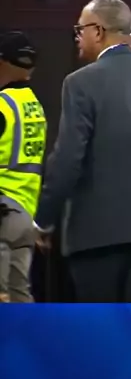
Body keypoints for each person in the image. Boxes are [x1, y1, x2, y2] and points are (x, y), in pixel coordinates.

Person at [34, 0, 131, 303]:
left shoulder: (80, 83)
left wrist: (44, 219)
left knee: (104, 326)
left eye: (80, 30)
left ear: (98, 31)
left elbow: (68, 158)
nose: (77, 37)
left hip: (98, 234)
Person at [0, 32, 47, 302]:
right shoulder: (34, 107)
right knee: (20, 296)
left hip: (2, 212)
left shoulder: (2, 104)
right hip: (26, 215)